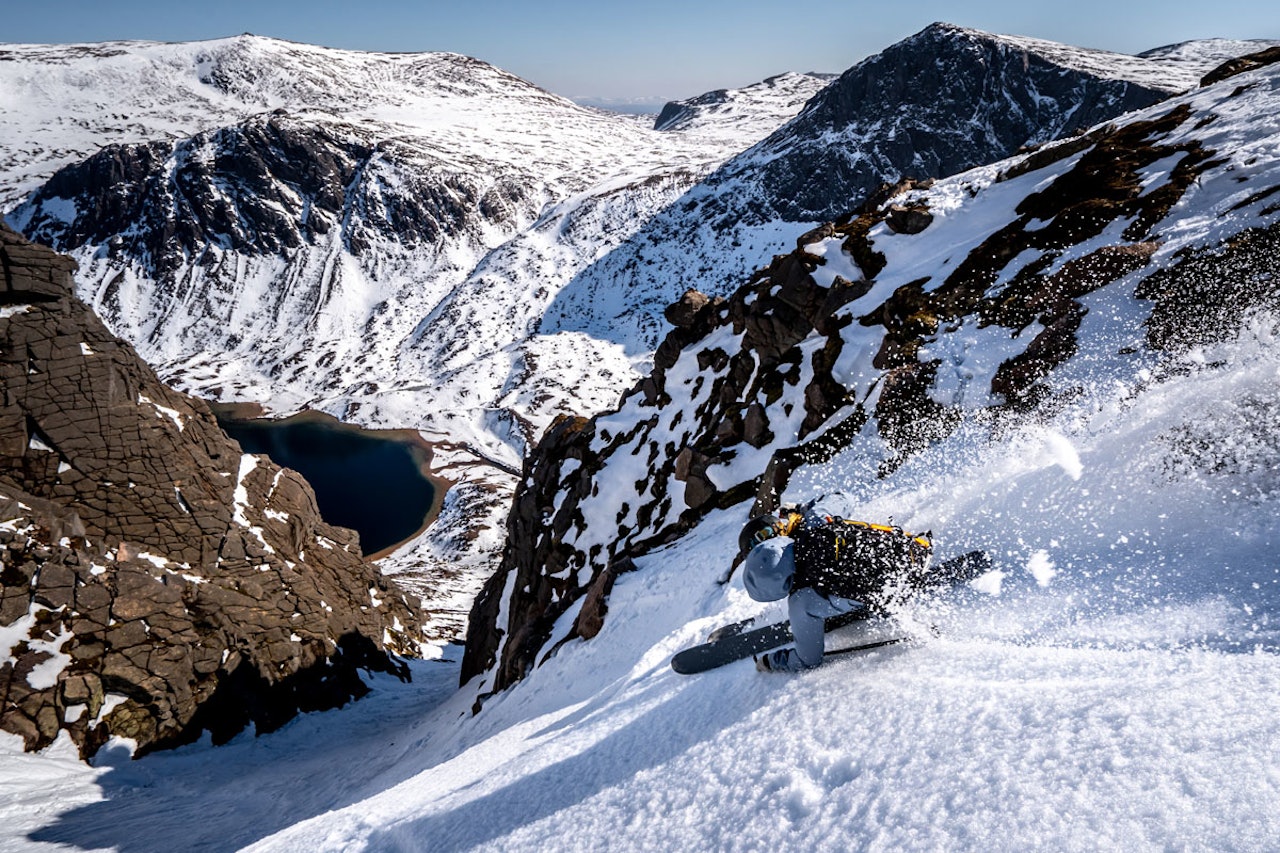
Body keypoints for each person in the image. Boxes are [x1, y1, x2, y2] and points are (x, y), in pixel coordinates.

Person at [740, 494, 933, 673]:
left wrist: (771, 661)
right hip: (914, 551)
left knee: (817, 601)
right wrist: (804, 508)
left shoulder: (800, 602)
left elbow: (808, 661)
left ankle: (830, 608)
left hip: (888, 593)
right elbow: (845, 498)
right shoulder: (814, 521)